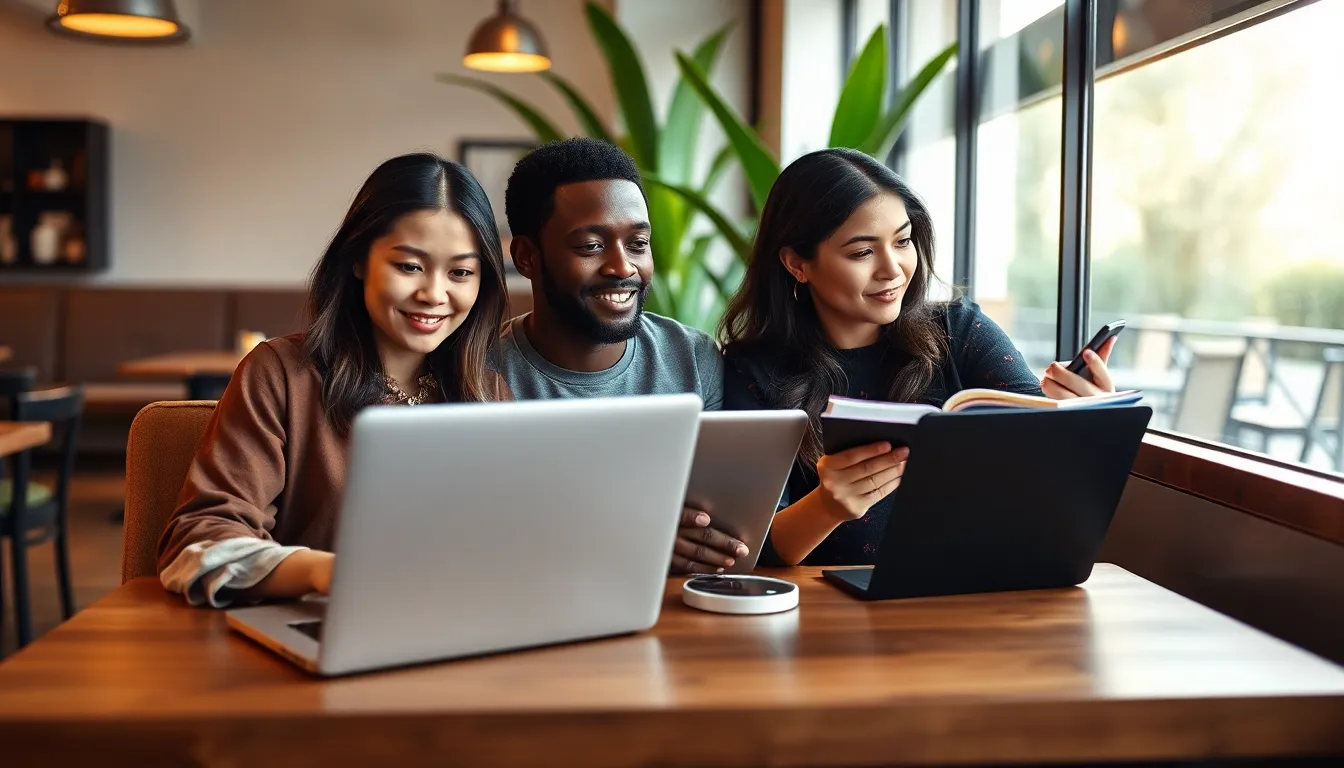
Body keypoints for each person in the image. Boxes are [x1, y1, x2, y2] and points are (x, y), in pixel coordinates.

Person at [720, 148, 1117, 567]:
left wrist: (1082, 422)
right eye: (862, 252)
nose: (893, 269)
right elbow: (749, 552)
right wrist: (826, 507)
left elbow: (1045, 465)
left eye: (903, 241)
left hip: (982, 594)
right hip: (834, 616)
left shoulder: (959, 330)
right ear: (797, 264)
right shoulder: (752, 372)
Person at [157, 153, 511, 607]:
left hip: (458, 632)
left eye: (460, 272)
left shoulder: (489, 393)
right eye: (409, 266)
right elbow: (196, 543)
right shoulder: (281, 374)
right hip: (317, 630)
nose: (434, 294)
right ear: (359, 260)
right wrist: (325, 571)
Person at [494, 137, 742, 574]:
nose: (623, 267)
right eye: (590, 246)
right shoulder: (481, 369)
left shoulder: (693, 358)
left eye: (638, 243)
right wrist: (631, 537)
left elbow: (721, 522)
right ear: (528, 257)